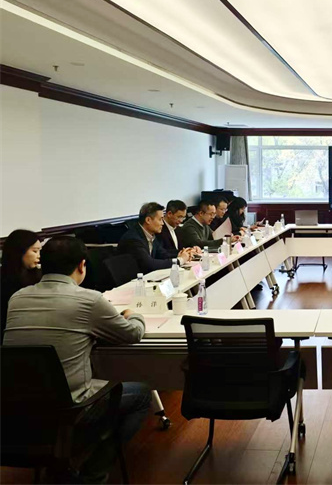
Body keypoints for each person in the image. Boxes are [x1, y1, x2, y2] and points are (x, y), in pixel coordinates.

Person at [4, 236, 150, 483]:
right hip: (72, 409)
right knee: (142, 394)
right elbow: (133, 333)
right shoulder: (89, 299)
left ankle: (63, 461)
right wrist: (134, 314)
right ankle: (93, 474)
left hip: (18, 408)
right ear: (82, 265)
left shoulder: (17, 298)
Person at [118, 202, 192, 273]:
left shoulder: (151, 235)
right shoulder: (133, 239)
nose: (162, 223)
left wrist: (183, 253)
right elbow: (150, 264)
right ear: (148, 220)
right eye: (160, 219)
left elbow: (163, 254)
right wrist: (180, 260)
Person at [0, 229, 42, 337]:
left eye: (39, 251)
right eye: (35, 251)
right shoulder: (4, 279)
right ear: (20, 251)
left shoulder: (39, 275)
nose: (39, 256)